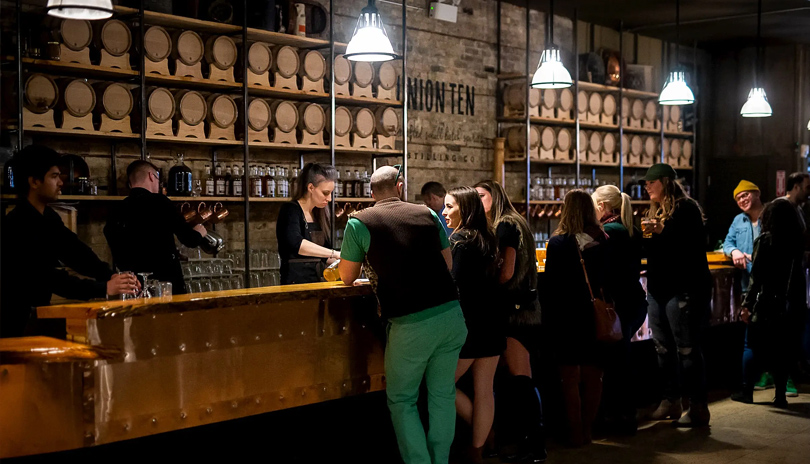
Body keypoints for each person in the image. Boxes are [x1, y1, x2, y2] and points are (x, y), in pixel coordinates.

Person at [339, 166, 467, 464]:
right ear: (400, 187)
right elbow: (447, 264)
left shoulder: (359, 222)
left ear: (371, 192)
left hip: (411, 323)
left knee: (402, 400)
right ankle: (440, 460)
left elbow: (346, 276)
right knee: (442, 394)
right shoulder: (428, 214)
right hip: (451, 315)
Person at [1, 145, 138, 338]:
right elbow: (49, 278)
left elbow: (76, 252)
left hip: (36, 317)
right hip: (14, 322)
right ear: (34, 182)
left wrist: (112, 276)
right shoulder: (17, 224)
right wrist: (104, 288)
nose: (61, 183)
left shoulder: (48, 217)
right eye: (54, 176)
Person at [474, 180, 546, 462]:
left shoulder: (505, 224)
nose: (477, 201)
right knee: (519, 379)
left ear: (495, 197)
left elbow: (506, 272)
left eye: (481, 196)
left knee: (521, 379)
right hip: (525, 307)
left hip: (516, 312)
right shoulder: (516, 221)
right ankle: (524, 442)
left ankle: (534, 445)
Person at [643, 163, 712, 427]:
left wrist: (662, 231)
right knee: (662, 348)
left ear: (666, 182)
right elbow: (652, 249)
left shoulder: (686, 208)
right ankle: (670, 401)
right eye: (646, 183)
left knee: (687, 349)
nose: (647, 187)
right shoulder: (655, 211)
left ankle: (698, 407)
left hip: (682, 288)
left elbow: (692, 246)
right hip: (657, 289)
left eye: (651, 182)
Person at [544, 189, 610, 446]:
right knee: (594, 376)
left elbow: (551, 284)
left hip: (567, 316)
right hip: (593, 314)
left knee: (570, 377)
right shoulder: (602, 239)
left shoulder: (559, 243)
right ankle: (588, 430)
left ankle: (575, 432)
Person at [443, 186, 502, 464]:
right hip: (491, 321)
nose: (444, 212)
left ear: (464, 209)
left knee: (442, 384)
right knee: (484, 389)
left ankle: (482, 439)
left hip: (467, 324)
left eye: (449, 206)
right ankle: (479, 446)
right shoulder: (488, 238)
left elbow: (451, 285)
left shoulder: (459, 241)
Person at [736, 199, 806, 407]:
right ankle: (780, 395)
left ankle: (746, 391)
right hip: (791, 304)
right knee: (783, 349)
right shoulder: (798, 242)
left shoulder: (765, 240)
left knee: (751, 346)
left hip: (767, 303)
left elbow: (756, 278)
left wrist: (747, 305)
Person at [591, 185, 647, 433]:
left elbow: (600, 269)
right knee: (622, 361)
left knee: (615, 365)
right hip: (634, 301)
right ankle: (626, 416)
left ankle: (619, 418)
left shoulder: (609, 232)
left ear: (602, 206)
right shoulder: (629, 228)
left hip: (618, 305)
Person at [104, 160, 207, 294]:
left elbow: (111, 234)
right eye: (158, 179)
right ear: (151, 176)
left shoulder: (117, 209)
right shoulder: (161, 203)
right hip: (165, 286)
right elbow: (189, 240)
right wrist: (199, 232)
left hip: (132, 286)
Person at [276, 163, 340, 285]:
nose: (330, 198)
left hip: (319, 281)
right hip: (295, 283)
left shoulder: (320, 214)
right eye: (325, 193)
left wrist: (348, 262)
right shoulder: (290, 210)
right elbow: (297, 244)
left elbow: (325, 256)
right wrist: (335, 253)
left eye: (331, 193)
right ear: (310, 187)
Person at [723, 180, 763, 289]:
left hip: (769, 281)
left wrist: (756, 257)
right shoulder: (738, 220)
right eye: (738, 199)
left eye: (745, 195)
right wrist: (734, 251)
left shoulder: (771, 216)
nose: (742, 200)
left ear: (757, 194)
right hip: (746, 283)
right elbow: (728, 242)